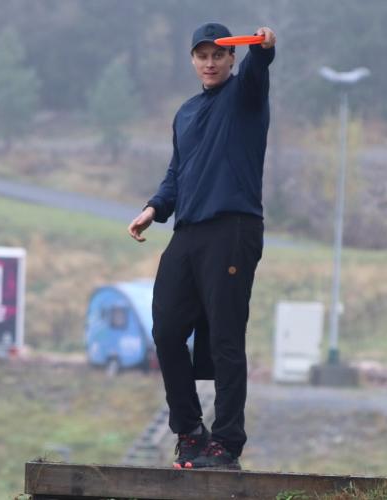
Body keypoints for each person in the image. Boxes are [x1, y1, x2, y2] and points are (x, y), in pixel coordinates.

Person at [127, 22, 276, 470]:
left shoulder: (246, 97)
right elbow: (178, 171)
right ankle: (190, 431)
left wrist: (264, 50)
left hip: (233, 229)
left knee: (226, 337)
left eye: (218, 55)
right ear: (192, 60)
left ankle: (226, 443)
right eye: (202, 55)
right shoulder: (186, 113)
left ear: (231, 59)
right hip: (188, 233)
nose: (210, 63)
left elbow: (259, 67)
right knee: (167, 330)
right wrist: (154, 208)